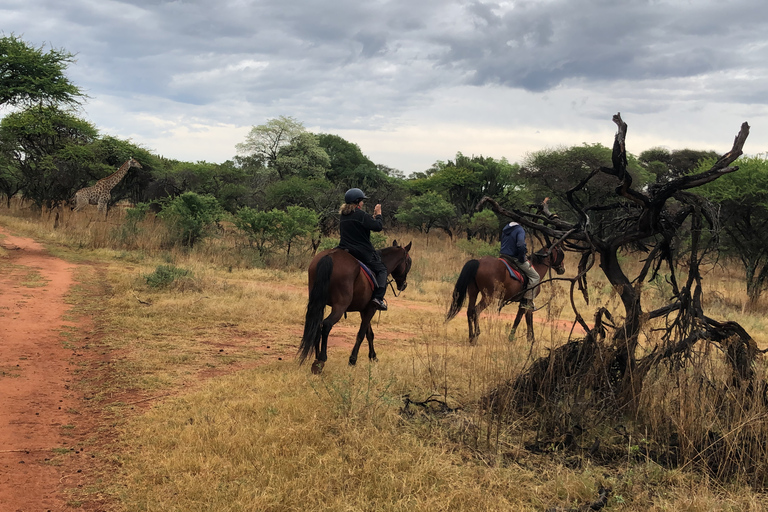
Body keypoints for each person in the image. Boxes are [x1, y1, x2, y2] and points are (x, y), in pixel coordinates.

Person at [338, 188, 389, 311]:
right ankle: (378, 298)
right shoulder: (361, 215)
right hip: (361, 252)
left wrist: (371, 218)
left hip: (343, 249)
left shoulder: (343, 215)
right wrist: (379, 215)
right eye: (362, 201)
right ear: (357, 202)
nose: (363, 203)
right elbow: (378, 227)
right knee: (382, 270)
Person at [500, 221, 539, 310]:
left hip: (503, 256)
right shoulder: (519, 230)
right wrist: (522, 257)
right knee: (535, 277)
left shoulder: (505, 228)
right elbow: (521, 245)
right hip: (514, 258)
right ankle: (527, 302)